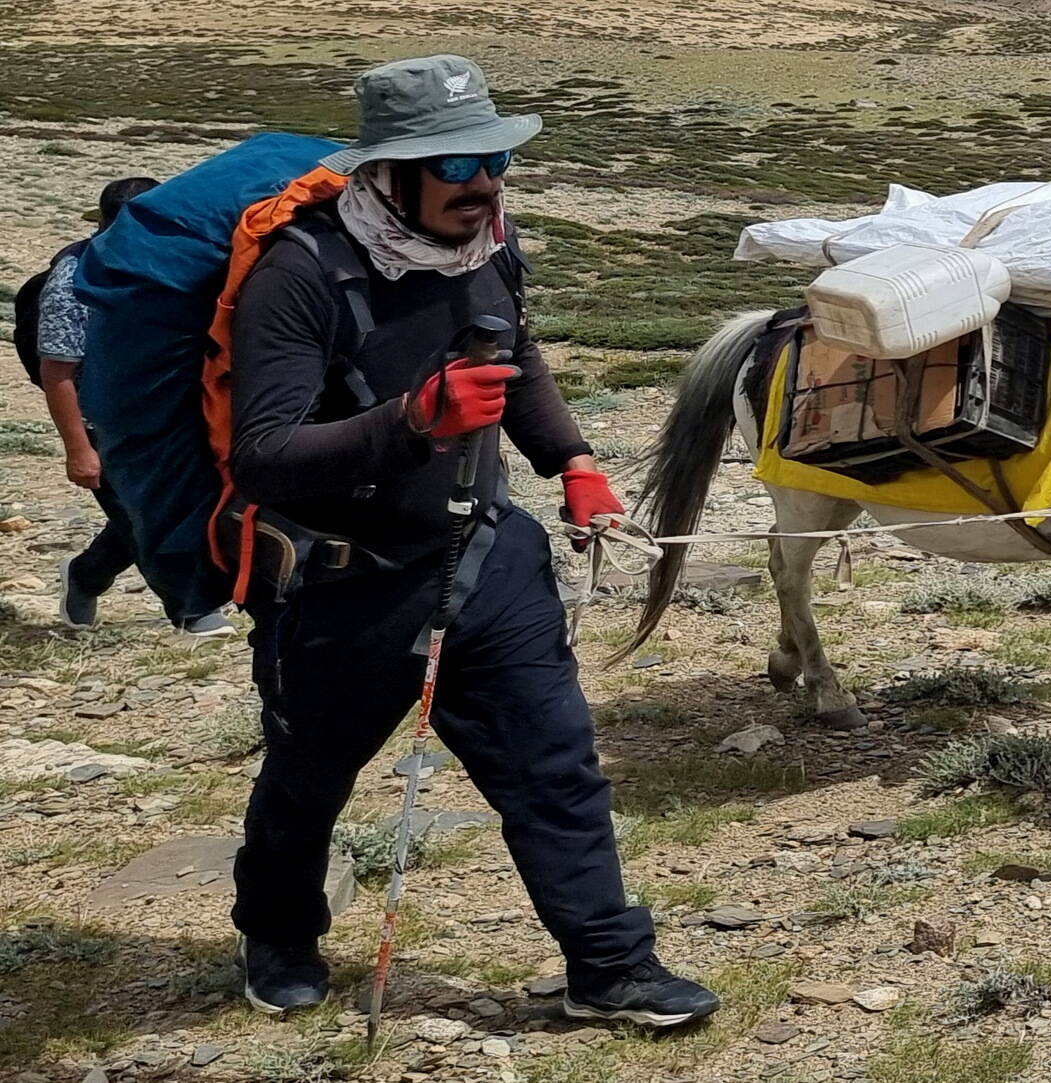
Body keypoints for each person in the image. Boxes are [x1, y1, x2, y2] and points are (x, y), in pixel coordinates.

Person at [226, 56, 715, 1028]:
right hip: (340, 591)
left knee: (555, 766)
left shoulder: (487, 244)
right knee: (308, 781)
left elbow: (512, 352)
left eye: (496, 157)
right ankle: (278, 933)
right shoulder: (300, 275)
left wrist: (570, 461)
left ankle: (608, 968)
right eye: (455, 163)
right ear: (387, 174)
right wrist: (413, 419)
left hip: (486, 562)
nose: (484, 182)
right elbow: (264, 456)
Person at [39, 177, 232, 636]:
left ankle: (86, 576)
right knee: (139, 513)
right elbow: (57, 371)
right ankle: (191, 608)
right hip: (103, 423)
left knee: (158, 507)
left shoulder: (171, 264)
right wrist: (78, 448)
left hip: (168, 410)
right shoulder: (73, 280)